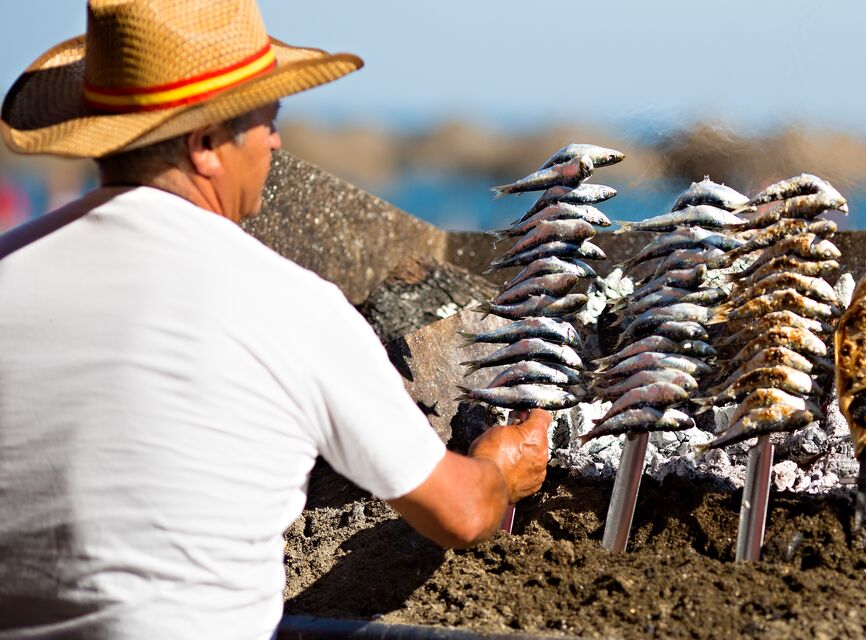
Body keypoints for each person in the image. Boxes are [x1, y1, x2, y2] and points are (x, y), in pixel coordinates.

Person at [0, 1, 550, 637]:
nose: (277, 141)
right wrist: (499, 472)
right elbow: (457, 513)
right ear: (205, 145)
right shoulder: (286, 303)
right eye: (267, 121)